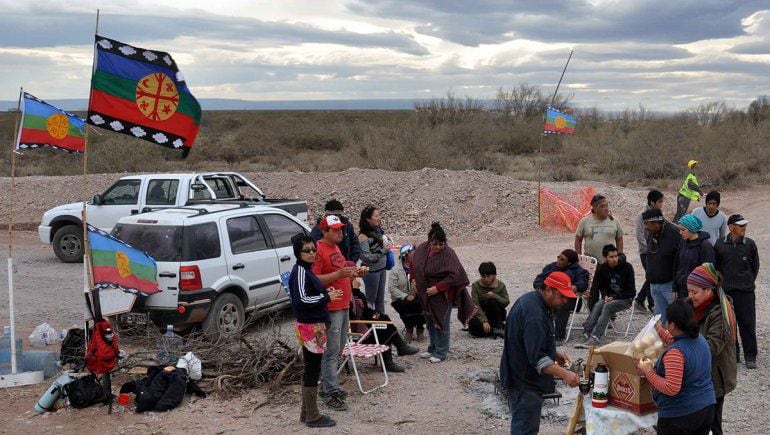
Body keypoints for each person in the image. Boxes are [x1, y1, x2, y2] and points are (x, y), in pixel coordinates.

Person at [500, 271, 581, 434]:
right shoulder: (534, 315)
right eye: (562, 296)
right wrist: (565, 374)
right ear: (549, 290)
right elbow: (536, 358)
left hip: (521, 376)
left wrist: (553, 351)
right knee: (525, 429)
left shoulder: (532, 300)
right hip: (525, 382)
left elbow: (529, 340)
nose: (565, 301)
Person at [636, 300, 716, 435]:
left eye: (668, 322)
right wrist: (661, 331)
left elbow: (671, 388)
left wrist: (648, 371)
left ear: (672, 325)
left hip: (681, 415)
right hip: (706, 407)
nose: (666, 325)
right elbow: (679, 339)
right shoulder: (700, 339)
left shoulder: (675, 353)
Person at [313, 215, 365, 411]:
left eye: (340, 229)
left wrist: (353, 274)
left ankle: (329, 386)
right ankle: (329, 391)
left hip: (342, 305)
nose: (340, 232)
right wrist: (339, 275)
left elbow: (340, 272)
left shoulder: (336, 248)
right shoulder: (319, 250)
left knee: (338, 348)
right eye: (335, 230)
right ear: (325, 232)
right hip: (331, 308)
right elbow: (314, 279)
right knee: (331, 351)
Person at [288, 234, 340, 428]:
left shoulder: (306, 270)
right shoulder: (300, 271)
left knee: (312, 368)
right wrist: (325, 297)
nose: (311, 253)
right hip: (310, 326)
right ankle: (313, 416)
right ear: (298, 253)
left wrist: (325, 295)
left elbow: (310, 296)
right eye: (306, 250)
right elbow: (302, 300)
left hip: (315, 325)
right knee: (312, 369)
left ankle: (307, 412)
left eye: (313, 249)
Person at [686, 263, 737, 435]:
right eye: (689, 291)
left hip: (714, 377)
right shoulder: (690, 306)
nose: (690, 296)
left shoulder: (721, 314)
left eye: (694, 292)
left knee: (712, 424)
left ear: (708, 290)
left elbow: (712, 347)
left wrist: (681, 349)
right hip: (695, 374)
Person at [412, 222, 474, 363]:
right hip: (425, 293)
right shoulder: (422, 249)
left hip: (442, 295)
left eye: (442, 244)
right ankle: (432, 347)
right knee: (429, 321)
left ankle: (441, 351)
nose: (439, 247)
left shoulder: (449, 253)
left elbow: (455, 275)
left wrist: (438, 288)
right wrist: (413, 278)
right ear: (429, 242)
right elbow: (413, 263)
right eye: (435, 244)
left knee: (441, 322)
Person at [714, 214, 760, 369]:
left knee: (747, 323)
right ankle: (734, 354)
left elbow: (755, 267)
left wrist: (747, 281)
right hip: (726, 292)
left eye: (745, 226)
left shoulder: (750, 245)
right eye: (741, 226)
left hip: (745, 292)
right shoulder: (720, 245)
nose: (744, 228)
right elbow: (716, 268)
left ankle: (750, 356)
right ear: (731, 227)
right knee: (729, 324)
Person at [349, 278, 419, 373]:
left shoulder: (352, 292)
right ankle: (392, 357)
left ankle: (396, 353)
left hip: (363, 322)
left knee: (384, 319)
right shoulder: (349, 294)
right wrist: (355, 290)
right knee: (384, 328)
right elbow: (359, 312)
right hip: (357, 331)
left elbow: (365, 310)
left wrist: (377, 315)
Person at [577, 244, 636, 347]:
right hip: (609, 298)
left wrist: (614, 297)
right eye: (611, 257)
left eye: (616, 256)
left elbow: (631, 292)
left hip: (625, 299)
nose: (615, 259)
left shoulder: (627, 267)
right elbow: (602, 286)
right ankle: (587, 332)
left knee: (607, 306)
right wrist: (605, 295)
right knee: (599, 305)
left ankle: (596, 337)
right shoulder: (603, 268)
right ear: (605, 258)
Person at [575, 194, 623, 309]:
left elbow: (619, 239)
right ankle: (593, 315)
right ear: (594, 207)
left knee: (610, 289)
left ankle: (610, 314)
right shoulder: (585, 221)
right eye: (602, 206)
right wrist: (579, 257)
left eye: (607, 205)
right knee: (592, 291)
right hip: (592, 263)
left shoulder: (614, 221)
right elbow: (578, 239)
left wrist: (620, 255)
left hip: (610, 263)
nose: (606, 208)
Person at [532, 249, 589, 343]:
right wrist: (543, 288)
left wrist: (576, 287)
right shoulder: (552, 267)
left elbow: (583, 284)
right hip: (550, 296)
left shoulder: (579, 271)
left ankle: (559, 335)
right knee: (535, 301)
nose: (558, 260)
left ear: (569, 263)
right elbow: (538, 280)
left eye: (562, 259)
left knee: (562, 305)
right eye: (558, 257)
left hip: (569, 299)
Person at [642, 209, 680, 326]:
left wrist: (676, 286)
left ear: (656, 223)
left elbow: (680, 261)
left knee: (675, 319)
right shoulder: (651, 233)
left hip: (669, 285)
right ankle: (663, 343)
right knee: (659, 321)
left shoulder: (675, 233)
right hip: (654, 284)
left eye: (647, 224)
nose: (645, 228)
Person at [672, 214, 715, 300]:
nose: (680, 233)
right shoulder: (683, 242)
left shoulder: (705, 246)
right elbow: (677, 265)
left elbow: (708, 272)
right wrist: (675, 288)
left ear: (691, 228)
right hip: (682, 291)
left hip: (696, 294)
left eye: (683, 230)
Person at [634, 189, 664, 313]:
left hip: (656, 250)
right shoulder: (641, 216)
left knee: (652, 275)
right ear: (652, 202)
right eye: (660, 202)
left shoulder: (658, 214)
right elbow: (640, 236)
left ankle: (640, 300)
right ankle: (651, 304)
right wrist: (648, 250)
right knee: (652, 276)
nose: (661, 204)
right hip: (646, 252)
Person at [388, 244, 425, 342]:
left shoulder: (420, 267)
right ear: (405, 255)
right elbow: (392, 288)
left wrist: (414, 293)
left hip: (416, 295)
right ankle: (409, 328)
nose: (416, 255)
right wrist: (405, 296)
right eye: (413, 253)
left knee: (421, 303)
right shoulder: (395, 270)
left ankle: (420, 328)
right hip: (401, 297)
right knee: (405, 305)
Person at [358, 205, 392, 314]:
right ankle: (372, 325)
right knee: (371, 301)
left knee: (380, 299)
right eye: (376, 216)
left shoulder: (378, 231)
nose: (379, 218)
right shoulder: (363, 236)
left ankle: (381, 324)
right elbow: (366, 257)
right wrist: (383, 251)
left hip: (381, 269)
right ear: (368, 219)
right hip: (372, 272)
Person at [468, 262, 510, 339]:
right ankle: (495, 330)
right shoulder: (475, 285)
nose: (486, 279)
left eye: (488, 276)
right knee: (473, 328)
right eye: (483, 276)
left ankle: (497, 327)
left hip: (497, 313)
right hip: (482, 313)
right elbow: (475, 304)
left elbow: (506, 302)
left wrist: (495, 296)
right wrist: (484, 321)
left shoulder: (501, 285)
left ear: (494, 275)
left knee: (492, 301)